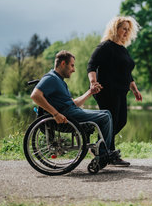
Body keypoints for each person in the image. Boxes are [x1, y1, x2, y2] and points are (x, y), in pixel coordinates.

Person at [30, 50, 119, 169]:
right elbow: (35, 95)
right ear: (62, 64)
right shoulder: (50, 78)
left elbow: (74, 103)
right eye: (72, 65)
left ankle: (103, 153)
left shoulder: (60, 81)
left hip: (72, 112)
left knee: (106, 113)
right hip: (68, 115)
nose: (74, 69)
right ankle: (103, 155)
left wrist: (90, 92)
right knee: (105, 116)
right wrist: (55, 114)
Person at [87, 16, 142, 167]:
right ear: (115, 29)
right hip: (107, 91)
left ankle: (100, 147)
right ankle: (109, 154)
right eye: (123, 28)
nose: (126, 32)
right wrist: (93, 82)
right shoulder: (105, 46)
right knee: (111, 122)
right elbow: (91, 65)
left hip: (121, 91)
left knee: (121, 121)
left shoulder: (122, 49)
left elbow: (127, 72)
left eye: (128, 29)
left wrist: (135, 89)